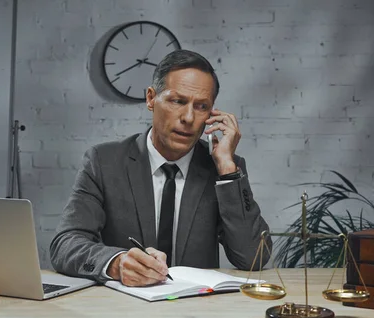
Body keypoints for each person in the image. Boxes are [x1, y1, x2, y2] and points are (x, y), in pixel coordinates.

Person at [50, 49, 271, 287]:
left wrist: (228, 169)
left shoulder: (224, 170)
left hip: (197, 311)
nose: (188, 117)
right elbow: (65, 244)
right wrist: (116, 263)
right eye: (178, 101)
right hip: (124, 308)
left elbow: (253, 258)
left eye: (201, 106)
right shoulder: (103, 163)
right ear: (150, 99)